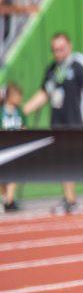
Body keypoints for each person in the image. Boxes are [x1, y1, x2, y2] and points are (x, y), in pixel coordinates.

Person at [22, 32, 83, 214]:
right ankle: (70, 200)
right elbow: (44, 93)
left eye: (61, 48)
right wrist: (22, 112)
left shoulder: (79, 63)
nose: (58, 53)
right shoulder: (52, 69)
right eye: (55, 50)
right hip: (59, 123)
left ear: (69, 45)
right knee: (64, 162)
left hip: (80, 122)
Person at [2, 81, 25, 212]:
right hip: (3, 149)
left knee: (14, 174)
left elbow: (23, 126)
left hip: (15, 149)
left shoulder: (19, 112)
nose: (19, 98)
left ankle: (9, 200)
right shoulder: (2, 112)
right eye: (17, 95)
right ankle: (5, 198)